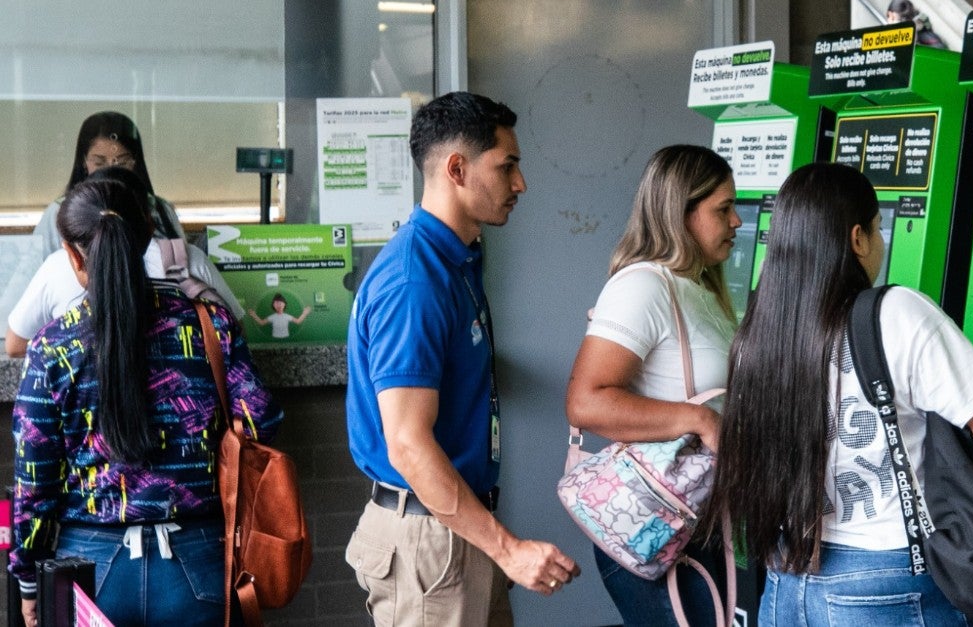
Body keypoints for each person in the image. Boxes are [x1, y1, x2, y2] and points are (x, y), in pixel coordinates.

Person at [706, 162, 973, 626]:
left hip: (786, 581)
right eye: (878, 230)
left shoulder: (760, 329)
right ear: (857, 238)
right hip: (885, 583)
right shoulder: (894, 312)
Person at [344, 91, 579, 626]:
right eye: (508, 166)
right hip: (429, 540)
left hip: (458, 524)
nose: (520, 184)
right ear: (456, 168)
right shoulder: (415, 281)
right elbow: (406, 444)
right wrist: (509, 549)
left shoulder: (455, 259)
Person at [8, 177, 282, 627]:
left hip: (89, 570)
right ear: (145, 237)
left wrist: (28, 580)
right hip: (197, 561)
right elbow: (260, 420)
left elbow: (34, 481)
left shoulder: (52, 346)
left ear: (72, 254)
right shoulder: (208, 325)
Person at [565, 144, 740, 626]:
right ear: (680, 214)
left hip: (695, 523)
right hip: (660, 523)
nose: (738, 222)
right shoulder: (642, 286)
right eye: (723, 209)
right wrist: (699, 418)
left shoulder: (699, 287)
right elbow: (586, 402)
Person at [5, 166, 243, 359]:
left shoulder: (52, 346)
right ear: (149, 226)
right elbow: (237, 333)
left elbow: (14, 345)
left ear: (73, 256)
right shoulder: (189, 259)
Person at [31, 110, 184, 261]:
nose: (111, 172)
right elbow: (38, 266)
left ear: (136, 162)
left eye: (122, 163)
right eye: (99, 163)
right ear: (84, 161)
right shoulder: (58, 212)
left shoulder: (160, 210)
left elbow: (182, 267)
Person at [247, 293, 312, 339]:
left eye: (280, 303)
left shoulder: (287, 316)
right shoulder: (272, 317)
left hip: (286, 337)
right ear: (273, 305)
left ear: (284, 305)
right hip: (274, 337)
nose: (278, 305)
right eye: (276, 303)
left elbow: (298, 321)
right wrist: (254, 315)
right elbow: (262, 323)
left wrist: (304, 313)